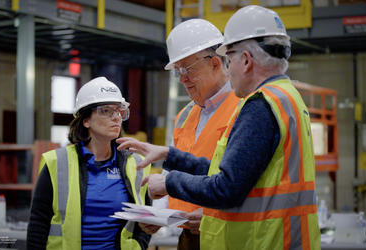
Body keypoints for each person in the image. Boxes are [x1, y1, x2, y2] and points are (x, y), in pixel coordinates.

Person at [117, 5, 320, 250]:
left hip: (266, 240)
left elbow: (226, 187)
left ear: (245, 60)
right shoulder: (286, 98)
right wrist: (171, 157)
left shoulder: (259, 106)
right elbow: (231, 173)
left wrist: (170, 184)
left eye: (230, 58)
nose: (228, 66)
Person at [27, 77, 152, 250]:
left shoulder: (136, 164)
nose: (116, 118)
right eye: (106, 111)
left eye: (119, 111)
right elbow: (38, 223)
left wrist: (139, 246)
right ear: (86, 120)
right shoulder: (57, 163)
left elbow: (146, 218)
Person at [161, 18, 240, 249]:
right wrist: (159, 214)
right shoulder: (184, 116)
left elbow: (246, 185)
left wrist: (211, 216)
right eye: (178, 71)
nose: (182, 78)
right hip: (187, 236)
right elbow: (180, 174)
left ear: (215, 63)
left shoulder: (245, 109)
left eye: (187, 68)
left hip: (227, 237)